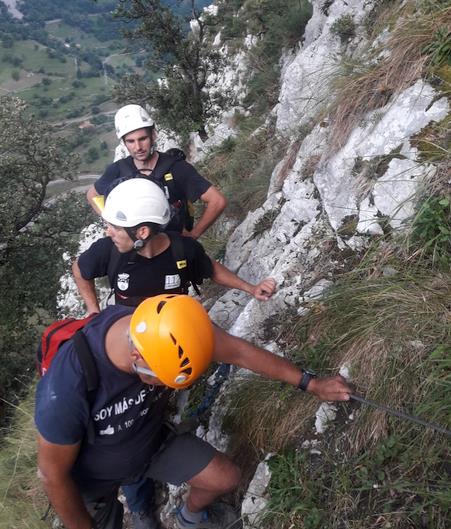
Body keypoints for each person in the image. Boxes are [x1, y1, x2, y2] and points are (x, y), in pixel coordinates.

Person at [35, 294, 353, 529]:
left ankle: (188, 519)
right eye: (161, 379)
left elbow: (240, 352)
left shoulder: (175, 331)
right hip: (93, 481)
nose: (167, 388)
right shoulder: (67, 385)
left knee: (225, 477)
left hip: (149, 443)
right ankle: (138, 510)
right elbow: (52, 474)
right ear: (136, 356)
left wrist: (311, 384)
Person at [74, 178, 276, 315]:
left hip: (172, 330)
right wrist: (94, 311)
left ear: (142, 232)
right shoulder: (108, 249)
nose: (108, 232)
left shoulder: (183, 249)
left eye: (115, 227)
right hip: (127, 334)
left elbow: (211, 268)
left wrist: (252, 288)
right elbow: (79, 269)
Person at [86, 104, 227, 239]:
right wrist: (112, 222)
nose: (138, 147)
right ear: (124, 142)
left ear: (153, 135)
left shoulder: (176, 168)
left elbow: (217, 200)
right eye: (131, 141)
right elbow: (92, 194)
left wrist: (194, 235)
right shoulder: (117, 170)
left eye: (143, 139)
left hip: (172, 248)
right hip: (134, 249)